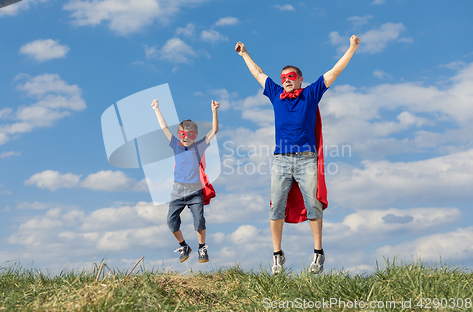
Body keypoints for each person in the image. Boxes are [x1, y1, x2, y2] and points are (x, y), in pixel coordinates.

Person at [235, 35, 360, 274]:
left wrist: (351, 49)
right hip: (280, 159)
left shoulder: (310, 94)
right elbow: (258, 73)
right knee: (276, 207)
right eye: (283, 78)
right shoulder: (275, 94)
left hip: (306, 159)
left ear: (300, 79)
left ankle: (318, 253)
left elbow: (334, 71)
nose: (286, 81)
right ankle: (277, 255)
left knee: (313, 204)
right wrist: (244, 54)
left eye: (291, 77)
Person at [151, 99, 220, 263]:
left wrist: (214, 110)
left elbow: (215, 130)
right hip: (177, 190)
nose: (185, 137)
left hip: (195, 190)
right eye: (182, 134)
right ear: (179, 135)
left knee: (199, 220)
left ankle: (202, 248)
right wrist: (156, 109)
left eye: (189, 135)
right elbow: (163, 127)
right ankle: (183, 245)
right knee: (171, 221)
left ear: (195, 136)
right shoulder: (176, 145)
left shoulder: (199, 146)